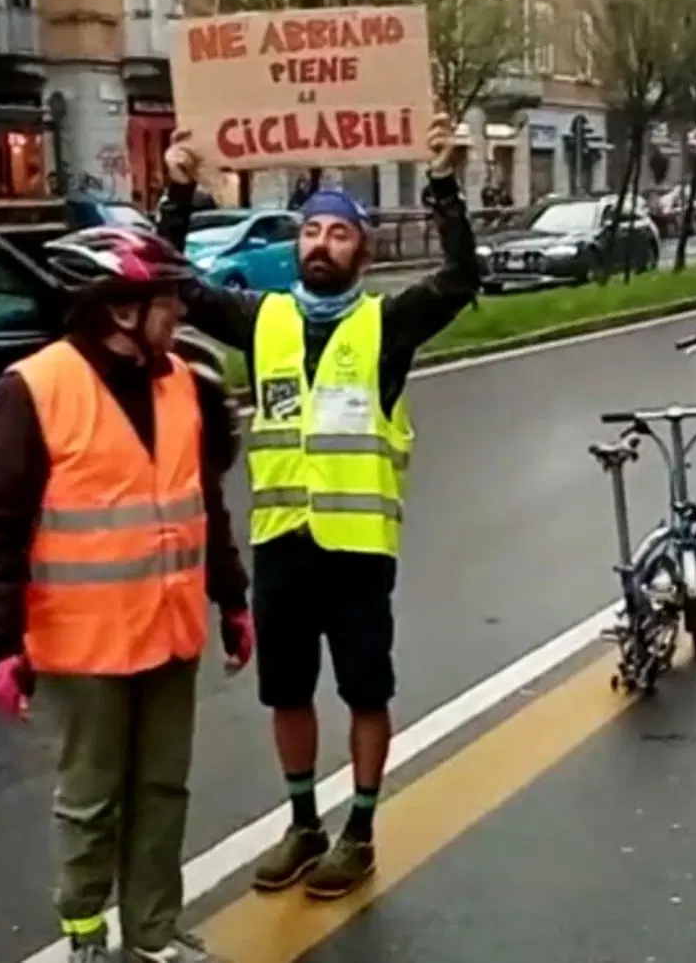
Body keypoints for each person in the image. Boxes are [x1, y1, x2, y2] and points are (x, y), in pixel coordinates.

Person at [155, 115, 475, 899]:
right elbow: (171, 283)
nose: (320, 244)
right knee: (287, 692)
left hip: (358, 547)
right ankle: (303, 823)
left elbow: (462, 280)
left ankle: (358, 832)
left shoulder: (385, 325)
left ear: (360, 252)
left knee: (365, 690)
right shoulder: (260, 320)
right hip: (282, 541)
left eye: (338, 233)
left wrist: (442, 183)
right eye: (311, 232)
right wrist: (179, 189)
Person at [0, 227, 252, 963]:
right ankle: (86, 937)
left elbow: (203, 502)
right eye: (167, 300)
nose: (179, 313)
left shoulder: (182, 381)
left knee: (162, 791)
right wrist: (2, 643)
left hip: (169, 628)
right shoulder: (34, 387)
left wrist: (233, 598)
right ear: (122, 311)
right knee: (91, 802)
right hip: (82, 643)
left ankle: (153, 935)